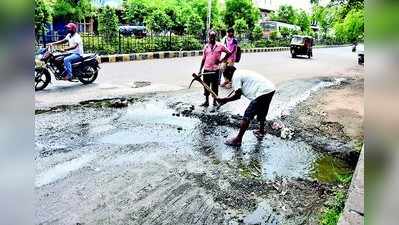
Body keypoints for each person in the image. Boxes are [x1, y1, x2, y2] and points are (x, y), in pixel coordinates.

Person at [217, 67, 276, 147]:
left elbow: (237, 95)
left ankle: (238, 139)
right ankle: (261, 131)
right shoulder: (240, 73)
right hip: (270, 89)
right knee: (262, 109)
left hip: (262, 91)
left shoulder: (235, 76)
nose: (229, 81)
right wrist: (226, 100)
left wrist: (225, 100)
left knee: (247, 115)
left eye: (227, 78)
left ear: (230, 74)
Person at [198, 31, 232, 107]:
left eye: (213, 36)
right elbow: (203, 59)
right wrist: (200, 70)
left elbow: (229, 52)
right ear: (209, 37)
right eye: (211, 36)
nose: (212, 38)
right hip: (206, 70)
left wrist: (222, 60)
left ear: (215, 37)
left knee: (215, 87)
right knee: (206, 86)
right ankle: (206, 101)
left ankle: (214, 101)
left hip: (215, 70)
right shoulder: (206, 46)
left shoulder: (220, 45)